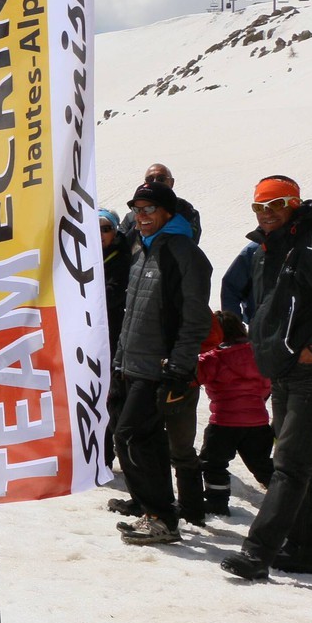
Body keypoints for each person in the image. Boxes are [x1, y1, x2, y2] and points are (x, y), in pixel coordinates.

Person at [221, 176, 312, 581]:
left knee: (289, 463)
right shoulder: (267, 250)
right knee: (302, 462)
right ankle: (306, 551)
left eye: (276, 204)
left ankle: (257, 553)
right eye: (259, 207)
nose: (267, 213)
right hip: (284, 367)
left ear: (295, 203)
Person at [109, 180, 213, 544]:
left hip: (159, 367)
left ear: (168, 211)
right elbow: (133, 312)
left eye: (149, 209)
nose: (141, 217)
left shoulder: (183, 253)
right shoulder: (142, 250)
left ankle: (162, 516)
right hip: (131, 364)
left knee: (131, 436)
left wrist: (179, 367)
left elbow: (196, 319)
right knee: (143, 441)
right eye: (136, 210)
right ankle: (154, 511)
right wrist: (119, 361)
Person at [196, 311, 274, 518]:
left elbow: (195, 377)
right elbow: (268, 385)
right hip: (258, 422)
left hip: (223, 423)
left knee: (213, 463)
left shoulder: (213, 358)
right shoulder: (260, 354)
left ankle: (216, 502)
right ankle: (286, 500)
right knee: (263, 465)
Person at [99, 208, 133, 468]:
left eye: (105, 228)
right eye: (95, 227)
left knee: (107, 395)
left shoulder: (123, 256)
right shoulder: (82, 252)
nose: (100, 234)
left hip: (111, 336)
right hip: (88, 333)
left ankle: (104, 455)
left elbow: (114, 294)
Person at [118, 164, 203, 244]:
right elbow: (120, 244)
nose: (155, 182)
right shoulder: (131, 217)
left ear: (172, 182)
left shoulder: (185, 211)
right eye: (149, 180)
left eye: (161, 179)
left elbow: (190, 242)